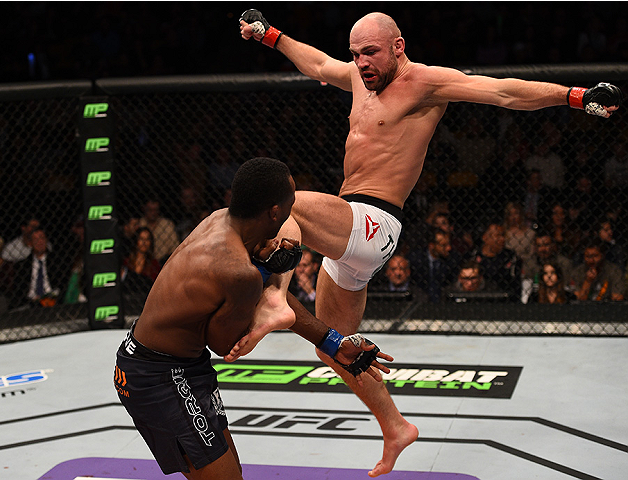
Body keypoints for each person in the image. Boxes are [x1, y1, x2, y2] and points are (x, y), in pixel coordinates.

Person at [238, 9, 621, 476]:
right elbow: (318, 64)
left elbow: (503, 91)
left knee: (283, 199)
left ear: (398, 46)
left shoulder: (425, 83)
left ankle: (276, 299)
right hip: (349, 233)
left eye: (371, 53)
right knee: (333, 346)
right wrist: (270, 35)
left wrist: (575, 96)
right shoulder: (361, 79)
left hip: (376, 220)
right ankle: (395, 425)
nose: (361, 63)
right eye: (356, 54)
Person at [114, 157, 393, 480]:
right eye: (291, 202)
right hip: (158, 376)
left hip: (174, 364)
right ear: (274, 212)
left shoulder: (222, 221)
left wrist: (332, 342)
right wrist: (263, 275)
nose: (295, 209)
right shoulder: (239, 272)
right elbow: (223, 344)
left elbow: (274, 302)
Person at [11, 229, 66, 308]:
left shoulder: (57, 261)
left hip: (53, 300)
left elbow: (63, 285)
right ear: (30, 243)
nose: (40, 242)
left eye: (42, 238)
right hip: (30, 303)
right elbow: (19, 291)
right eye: (36, 239)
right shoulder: (22, 266)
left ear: (46, 240)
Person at [468, 223, 523, 301]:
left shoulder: (511, 257)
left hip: (505, 300)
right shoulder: (474, 255)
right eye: (498, 235)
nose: (502, 239)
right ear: (485, 237)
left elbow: (516, 285)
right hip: (477, 299)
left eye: (503, 235)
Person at [408, 228, 459, 303]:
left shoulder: (452, 260)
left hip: (444, 299)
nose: (449, 248)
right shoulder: (416, 259)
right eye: (444, 245)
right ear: (432, 245)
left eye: (448, 244)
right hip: (419, 298)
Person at [139, 199, 180, 265]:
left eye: (155, 210)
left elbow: (175, 249)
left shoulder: (167, 225)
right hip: (143, 263)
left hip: (164, 263)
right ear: (144, 209)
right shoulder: (139, 224)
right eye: (150, 210)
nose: (153, 213)